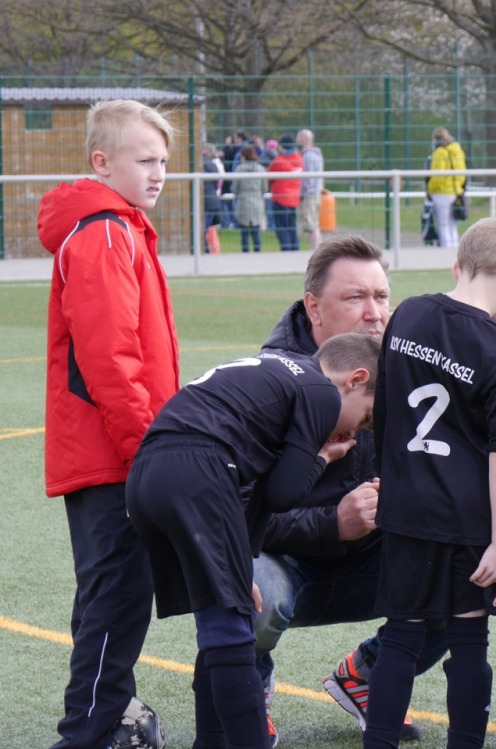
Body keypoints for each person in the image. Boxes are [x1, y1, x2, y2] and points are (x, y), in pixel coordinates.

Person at [126, 333, 379, 749]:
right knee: (230, 633)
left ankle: (211, 743)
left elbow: (255, 491)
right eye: (365, 417)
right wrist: (321, 458)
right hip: (198, 470)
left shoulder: (280, 370)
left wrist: (242, 560)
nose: (355, 430)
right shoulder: (321, 391)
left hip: (147, 476)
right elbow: (282, 493)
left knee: (221, 620)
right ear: (355, 379)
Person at [252, 237, 447, 745]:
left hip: (369, 561)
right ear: (313, 307)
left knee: (466, 572)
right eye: (356, 297)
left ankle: (367, 677)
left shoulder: (406, 369)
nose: (374, 313)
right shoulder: (269, 385)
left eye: (381, 296)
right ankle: (247, 695)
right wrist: (333, 522)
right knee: (251, 589)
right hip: (284, 561)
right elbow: (236, 516)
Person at [362, 217, 496, 749]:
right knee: (468, 641)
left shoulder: (409, 313)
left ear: (459, 265)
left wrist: (390, 480)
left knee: (401, 637)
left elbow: (387, 410)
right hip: (466, 519)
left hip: (405, 508)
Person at [37, 99, 177, 749]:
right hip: (114, 453)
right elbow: (110, 359)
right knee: (117, 596)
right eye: (144, 160)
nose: (159, 173)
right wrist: (146, 449)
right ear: (102, 162)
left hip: (111, 449)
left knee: (112, 594)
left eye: (164, 161)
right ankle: (87, 733)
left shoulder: (118, 227)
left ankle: (110, 715)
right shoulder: (103, 232)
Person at [426, 127, 466, 249]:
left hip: (441, 192)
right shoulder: (457, 150)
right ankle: (455, 250)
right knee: (452, 225)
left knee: (443, 225)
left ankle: (445, 250)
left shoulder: (439, 152)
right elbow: (462, 172)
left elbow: (438, 176)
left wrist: (430, 189)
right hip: (456, 192)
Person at [268, 133, 303, 252]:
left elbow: (268, 176)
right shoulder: (299, 158)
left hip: (280, 199)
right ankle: (295, 250)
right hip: (294, 199)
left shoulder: (279, 160)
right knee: (292, 227)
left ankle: (286, 252)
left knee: (282, 228)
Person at [234, 143, 267, 253]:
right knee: (256, 232)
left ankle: (245, 254)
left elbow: (234, 188)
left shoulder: (239, 169)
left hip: (243, 203)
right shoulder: (261, 169)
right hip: (257, 202)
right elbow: (265, 188)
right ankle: (257, 253)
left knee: (244, 232)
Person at [297, 129, 325, 251]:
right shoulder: (316, 154)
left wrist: (303, 192)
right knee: (314, 222)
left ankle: (316, 251)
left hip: (310, 193)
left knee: (311, 224)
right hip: (315, 192)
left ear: (304, 138)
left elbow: (307, 178)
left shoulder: (308, 156)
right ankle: (317, 250)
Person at [202, 142, 223, 254]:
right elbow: (217, 183)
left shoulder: (203, 165)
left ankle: (205, 254)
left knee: (203, 232)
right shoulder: (212, 164)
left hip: (207, 202)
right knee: (208, 231)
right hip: (212, 201)